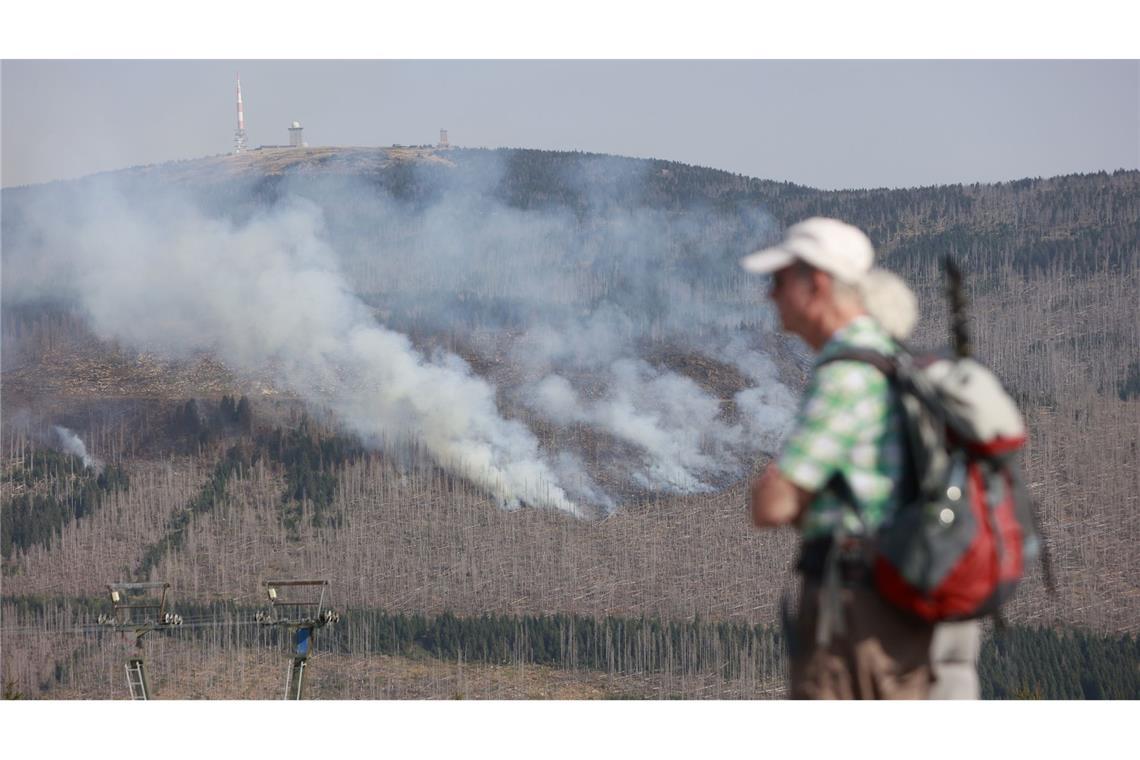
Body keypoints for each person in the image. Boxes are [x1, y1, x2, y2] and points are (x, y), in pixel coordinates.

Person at [740, 217, 937, 699]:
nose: (771, 296)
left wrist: (776, 485)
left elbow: (772, 505)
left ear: (818, 284)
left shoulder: (846, 374)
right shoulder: (890, 358)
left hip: (854, 609)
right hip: (890, 598)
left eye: (779, 281)